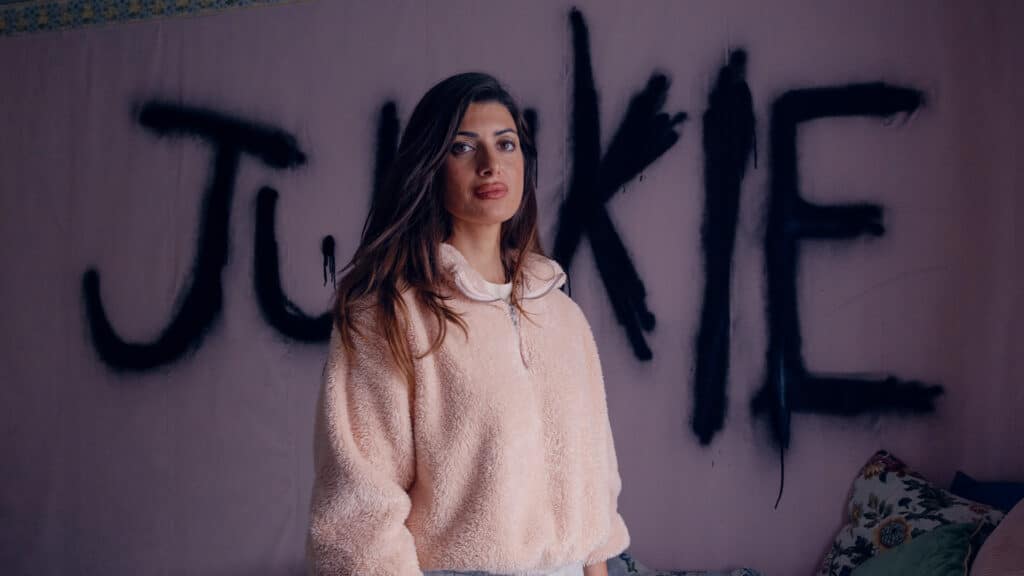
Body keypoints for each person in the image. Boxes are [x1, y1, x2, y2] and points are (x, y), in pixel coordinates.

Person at [306, 72, 629, 576]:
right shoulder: (390, 315)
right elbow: (358, 511)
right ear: (431, 167)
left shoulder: (563, 316)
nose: (490, 164)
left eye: (506, 144)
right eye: (462, 147)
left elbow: (596, 488)